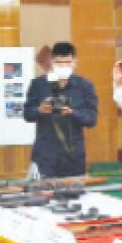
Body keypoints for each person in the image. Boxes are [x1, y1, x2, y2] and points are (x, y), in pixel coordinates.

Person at [24, 42, 98, 178]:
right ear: (52, 63)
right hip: (45, 156)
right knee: (43, 190)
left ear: (74, 63)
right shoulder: (38, 84)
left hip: (73, 157)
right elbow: (27, 114)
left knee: (74, 191)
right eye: (59, 63)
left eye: (67, 62)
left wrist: (72, 112)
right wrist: (39, 110)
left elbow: (92, 119)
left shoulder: (85, 86)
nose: (64, 66)